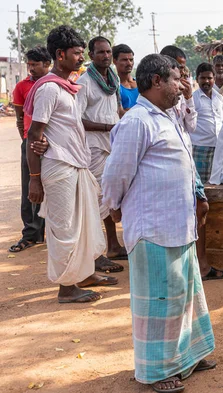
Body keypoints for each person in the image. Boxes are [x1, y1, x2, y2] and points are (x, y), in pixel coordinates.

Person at [102, 53, 216, 392]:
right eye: (175, 79)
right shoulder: (137, 121)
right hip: (152, 228)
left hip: (178, 225)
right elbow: (115, 175)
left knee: (183, 295)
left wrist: (198, 194)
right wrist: (114, 208)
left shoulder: (167, 117)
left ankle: (187, 356)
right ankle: (157, 372)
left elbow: (185, 162)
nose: (181, 86)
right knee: (158, 301)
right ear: (156, 82)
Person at [25, 25, 115, 303]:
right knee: (64, 229)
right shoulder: (50, 89)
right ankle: (66, 288)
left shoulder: (67, 87)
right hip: (59, 166)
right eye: (76, 54)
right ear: (60, 55)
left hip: (76, 163)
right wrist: (35, 178)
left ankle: (84, 273)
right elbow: (34, 134)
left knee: (83, 224)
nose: (81, 58)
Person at [76, 36, 127, 272]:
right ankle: (94, 254)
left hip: (114, 145)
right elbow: (77, 120)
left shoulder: (113, 79)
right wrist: (108, 127)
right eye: (100, 53)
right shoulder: (85, 82)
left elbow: (116, 110)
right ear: (90, 56)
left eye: (108, 52)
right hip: (94, 147)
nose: (106, 56)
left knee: (110, 197)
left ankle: (113, 245)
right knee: (96, 201)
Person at [9, 46, 51, 253]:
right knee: (30, 187)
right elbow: (19, 118)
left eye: (35, 64)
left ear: (47, 64)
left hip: (53, 142)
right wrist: (27, 140)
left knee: (54, 186)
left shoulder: (55, 84)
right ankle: (31, 234)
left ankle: (53, 233)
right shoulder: (21, 86)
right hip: (31, 142)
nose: (31, 68)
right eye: (29, 64)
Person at [192, 63, 223, 184]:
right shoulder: (193, 99)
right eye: (203, 78)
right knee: (200, 185)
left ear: (214, 79)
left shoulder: (219, 98)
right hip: (200, 148)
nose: (206, 81)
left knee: (216, 182)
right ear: (197, 79)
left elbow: (222, 120)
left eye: (209, 78)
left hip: (218, 147)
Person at [160, 45, 197, 133]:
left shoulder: (182, 93)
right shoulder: (157, 95)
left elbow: (191, 127)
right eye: (180, 68)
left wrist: (189, 99)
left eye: (183, 68)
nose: (183, 72)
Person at [112, 43, 138, 110]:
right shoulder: (113, 87)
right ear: (115, 61)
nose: (129, 63)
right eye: (124, 60)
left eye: (131, 60)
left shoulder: (141, 83)